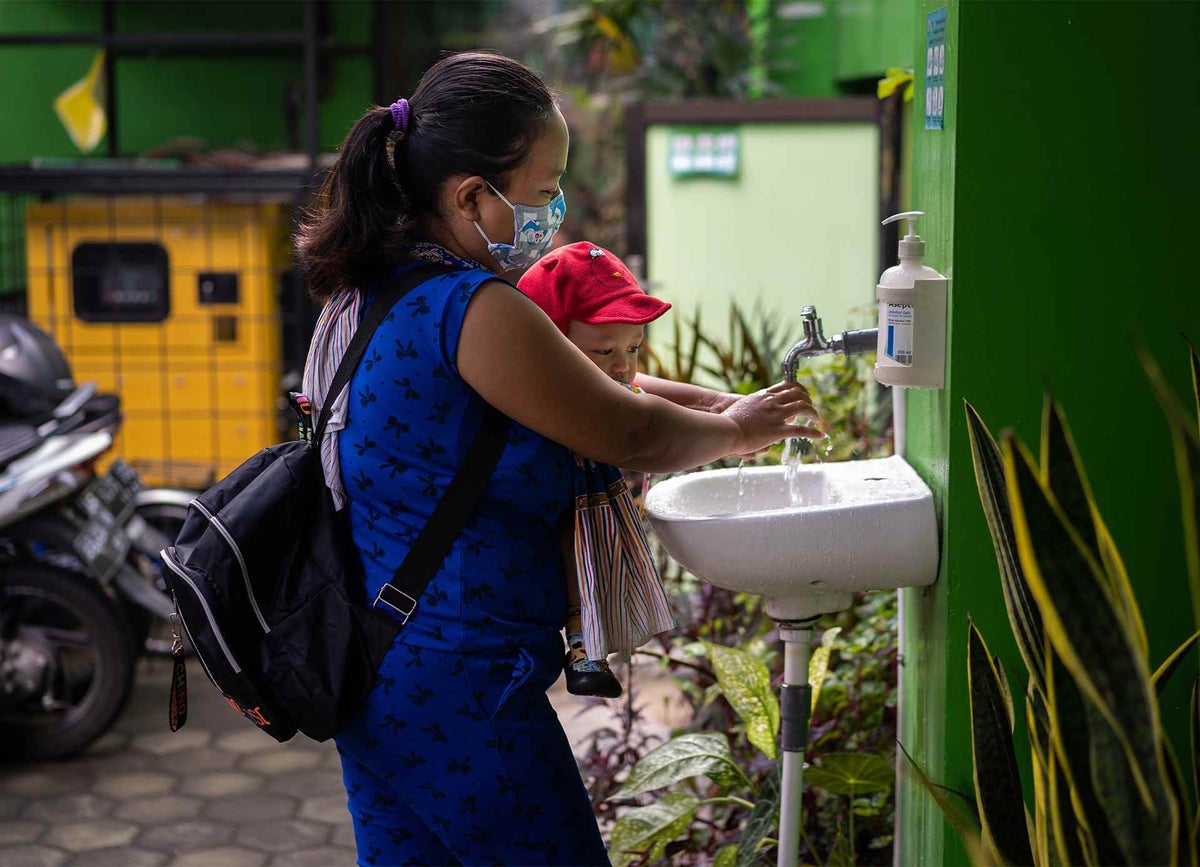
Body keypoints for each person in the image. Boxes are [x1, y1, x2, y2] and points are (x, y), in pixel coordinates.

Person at [298, 51, 820, 867]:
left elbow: (595, 386)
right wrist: (745, 432)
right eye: (543, 193)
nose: (555, 212)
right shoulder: (472, 307)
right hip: (464, 687)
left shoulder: (374, 289)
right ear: (471, 195)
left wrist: (728, 407)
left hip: (379, 668)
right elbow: (628, 431)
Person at [518, 240, 719, 700]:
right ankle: (583, 645)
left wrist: (719, 406)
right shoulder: (542, 391)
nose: (623, 367)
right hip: (558, 506)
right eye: (604, 352)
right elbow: (645, 426)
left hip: (590, 500)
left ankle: (595, 641)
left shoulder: (607, 380)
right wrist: (732, 428)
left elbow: (642, 395)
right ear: (550, 345)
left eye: (634, 348)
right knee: (576, 552)